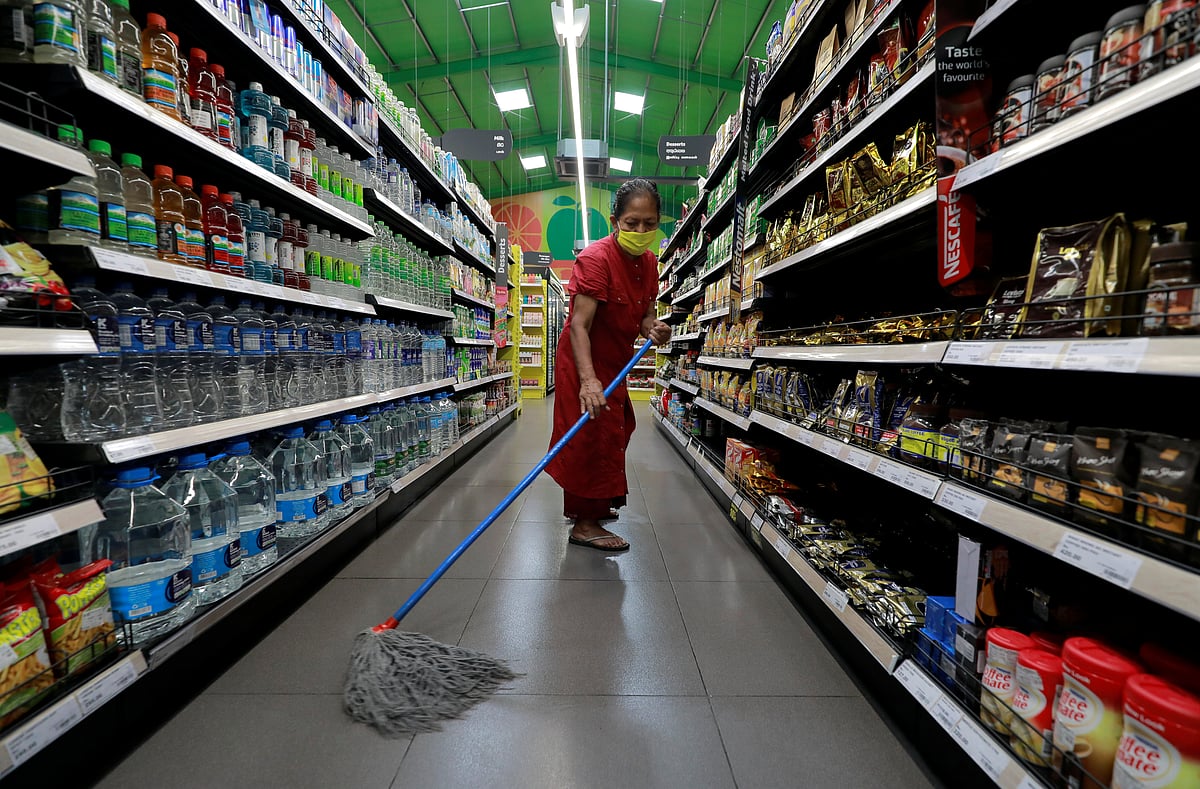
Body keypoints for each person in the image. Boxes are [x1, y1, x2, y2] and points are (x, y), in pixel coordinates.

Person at [545, 178, 672, 552]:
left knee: (617, 428)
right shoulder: (596, 259)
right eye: (632, 223)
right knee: (589, 437)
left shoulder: (650, 263)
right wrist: (588, 381)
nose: (640, 231)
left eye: (649, 224)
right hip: (583, 361)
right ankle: (585, 523)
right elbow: (580, 326)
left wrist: (654, 329)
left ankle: (595, 505)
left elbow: (646, 316)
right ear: (614, 220)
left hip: (615, 362)